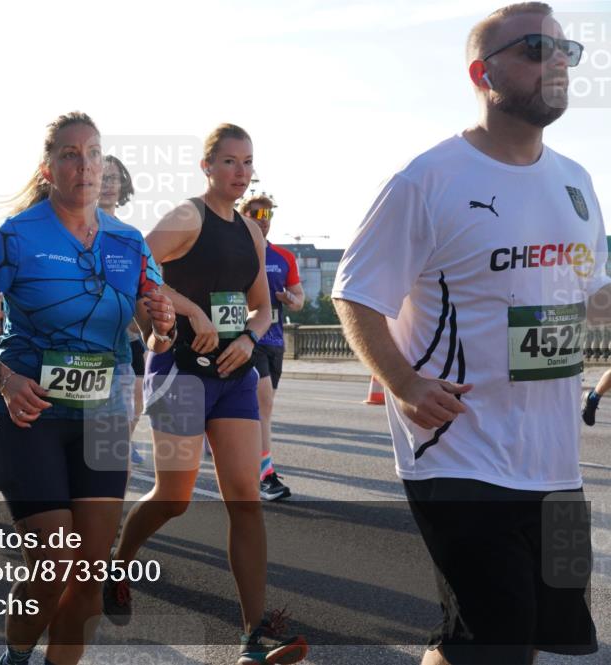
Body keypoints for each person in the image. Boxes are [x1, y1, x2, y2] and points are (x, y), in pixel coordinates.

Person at [332, 5, 599, 663]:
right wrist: (403, 382)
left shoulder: (577, 181)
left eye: (566, 50)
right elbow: (355, 293)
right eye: (536, 48)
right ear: (483, 73)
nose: (557, 63)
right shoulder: (426, 180)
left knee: (531, 636)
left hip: (555, 461)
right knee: (497, 638)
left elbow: (590, 294)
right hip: (458, 451)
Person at [0, 112, 175, 665]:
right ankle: (16, 656)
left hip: (104, 415)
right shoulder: (17, 235)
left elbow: (154, 335)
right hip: (31, 411)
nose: (85, 165)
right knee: (52, 567)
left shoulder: (129, 242)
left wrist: (162, 325)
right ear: (48, 168)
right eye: (70, 154)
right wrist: (4, 379)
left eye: (93, 153)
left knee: (89, 577)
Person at [105, 124, 307, 665]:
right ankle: (120, 560)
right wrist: (191, 310)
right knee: (174, 498)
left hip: (234, 375)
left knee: (245, 499)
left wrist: (248, 339)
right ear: (207, 166)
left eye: (248, 162)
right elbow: (135, 269)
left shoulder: (252, 232)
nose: (240, 172)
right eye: (230, 161)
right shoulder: (188, 217)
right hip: (181, 372)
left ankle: (254, 636)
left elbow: (263, 307)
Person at [238, 195, 304, 501]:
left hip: (276, 341)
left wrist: (290, 299)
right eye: (256, 214)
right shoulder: (236, 253)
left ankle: (242, 454)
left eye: (268, 215)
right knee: (263, 403)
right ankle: (265, 475)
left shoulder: (283, 257)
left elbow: (299, 298)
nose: (263, 220)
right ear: (244, 216)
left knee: (263, 407)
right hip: (248, 338)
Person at [98, 155, 145, 465]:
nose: (107, 185)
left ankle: (123, 442)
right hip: (86, 345)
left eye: (113, 178)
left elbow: (145, 287)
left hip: (127, 341)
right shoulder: (76, 230)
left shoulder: (131, 236)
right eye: (102, 178)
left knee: (135, 404)